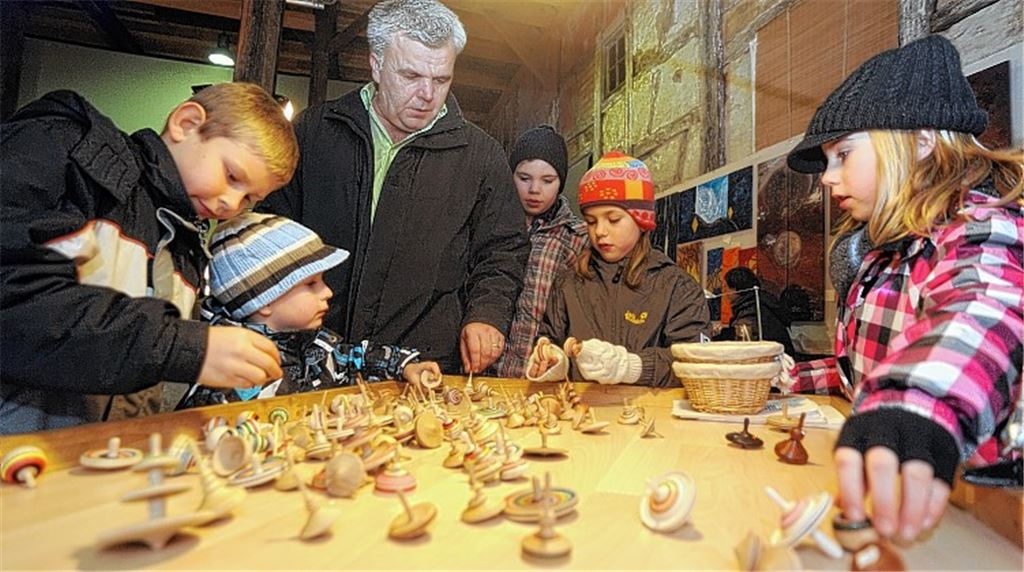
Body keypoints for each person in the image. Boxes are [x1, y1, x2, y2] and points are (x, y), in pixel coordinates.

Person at [786, 35, 1022, 543]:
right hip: (914, 506)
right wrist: (789, 379)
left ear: (919, 140)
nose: (827, 178)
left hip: (987, 514)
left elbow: (979, 310)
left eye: (843, 154)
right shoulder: (882, 256)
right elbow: (876, 365)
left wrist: (914, 406)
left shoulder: (984, 229)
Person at [1, 83, 298, 433]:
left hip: (88, 468)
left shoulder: (187, 253)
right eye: (232, 176)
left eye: (250, 199)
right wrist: (183, 346)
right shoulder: (67, 152)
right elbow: (14, 298)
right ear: (186, 123)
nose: (231, 205)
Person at [260, 0, 527, 377]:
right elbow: (271, 227)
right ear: (376, 65)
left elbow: (503, 250)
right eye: (411, 75)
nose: (427, 95)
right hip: (315, 358)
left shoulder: (481, 155)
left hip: (426, 364)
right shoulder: (314, 132)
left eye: (441, 80)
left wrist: (488, 314)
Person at [179, 214, 441, 408]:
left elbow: (356, 358)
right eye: (311, 284)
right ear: (264, 301)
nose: (327, 292)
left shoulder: (317, 345)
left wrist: (405, 366)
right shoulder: (230, 375)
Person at [524, 151, 711, 387]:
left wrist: (631, 367)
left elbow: (694, 361)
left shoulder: (676, 287)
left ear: (640, 220)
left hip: (649, 417)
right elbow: (550, 338)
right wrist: (554, 361)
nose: (600, 231)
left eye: (613, 219)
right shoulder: (568, 283)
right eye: (591, 221)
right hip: (579, 414)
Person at [493, 125, 588, 378]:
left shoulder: (578, 238)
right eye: (524, 178)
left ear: (561, 182)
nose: (535, 190)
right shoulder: (489, 225)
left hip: (542, 376)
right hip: (484, 373)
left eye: (548, 180)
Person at [714, 266, 795, 356]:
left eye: (726, 287)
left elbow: (745, 342)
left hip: (775, 361)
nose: (724, 292)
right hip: (779, 357)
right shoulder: (762, 301)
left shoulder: (752, 309)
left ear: (735, 289)